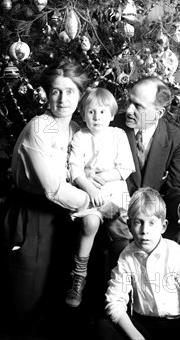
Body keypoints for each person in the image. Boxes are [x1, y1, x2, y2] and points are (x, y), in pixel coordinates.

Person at [3, 59, 90, 329]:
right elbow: (53, 188)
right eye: (56, 91)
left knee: (54, 286)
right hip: (32, 214)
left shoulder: (76, 130)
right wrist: (92, 202)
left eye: (70, 91)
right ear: (47, 94)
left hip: (60, 217)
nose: (63, 99)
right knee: (28, 291)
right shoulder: (40, 126)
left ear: (80, 95)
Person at [94, 187, 180, 340]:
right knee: (102, 327)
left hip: (179, 323)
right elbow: (114, 302)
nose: (144, 231)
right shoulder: (126, 257)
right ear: (129, 226)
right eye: (138, 223)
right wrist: (137, 337)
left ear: (163, 226)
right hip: (145, 324)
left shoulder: (178, 254)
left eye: (151, 223)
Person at [106, 76, 180, 269]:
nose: (129, 110)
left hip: (155, 214)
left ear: (158, 113)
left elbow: (177, 185)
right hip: (116, 210)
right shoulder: (110, 126)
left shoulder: (176, 138)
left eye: (138, 106)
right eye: (129, 102)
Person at [65, 87, 135, 308]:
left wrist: (101, 178)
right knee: (90, 222)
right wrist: (91, 188)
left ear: (112, 115)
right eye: (91, 112)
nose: (97, 117)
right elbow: (75, 171)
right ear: (83, 114)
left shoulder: (118, 135)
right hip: (89, 192)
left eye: (103, 112)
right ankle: (79, 276)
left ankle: (122, 283)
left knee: (119, 230)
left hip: (113, 192)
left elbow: (125, 168)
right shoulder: (80, 136)